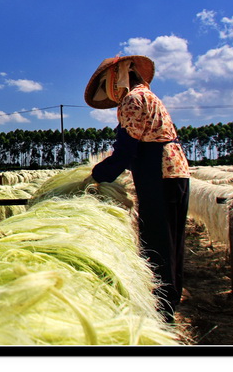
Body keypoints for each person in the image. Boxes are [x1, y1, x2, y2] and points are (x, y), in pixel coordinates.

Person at [82, 55, 190, 323]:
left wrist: (95, 176)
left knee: (156, 239)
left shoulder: (133, 100)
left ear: (117, 77)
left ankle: (162, 309)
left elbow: (125, 151)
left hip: (159, 173)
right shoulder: (148, 96)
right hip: (175, 172)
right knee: (171, 239)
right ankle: (170, 301)